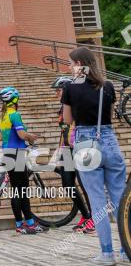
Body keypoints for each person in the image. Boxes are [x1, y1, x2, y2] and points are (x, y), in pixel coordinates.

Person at [61, 47, 128, 266]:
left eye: (71, 63)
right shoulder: (107, 86)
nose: (69, 67)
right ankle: (126, 249)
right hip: (109, 140)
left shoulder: (70, 87)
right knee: (121, 198)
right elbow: (107, 116)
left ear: (80, 63)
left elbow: (68, 119)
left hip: (86, 142)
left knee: (98, 200)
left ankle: (107, 253)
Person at [52, 75, 95, 233]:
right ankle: (85, 215)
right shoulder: (63, 107)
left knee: (85, 185)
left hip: (79, 148)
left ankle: (94, 218)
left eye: (58, 90)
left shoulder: (77, 105)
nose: (56, 93)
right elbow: (64, 130)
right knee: (68, 184)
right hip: (66, 149)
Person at [0, 86, 44, 234]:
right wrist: (32, 137)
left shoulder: (4, 115)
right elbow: (21, 135)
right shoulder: (14, 114)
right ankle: (25, 225)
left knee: (18, 191)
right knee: (21, 191)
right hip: (16, 154)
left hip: (8, 153)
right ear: (15, 99)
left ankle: (25, 223)